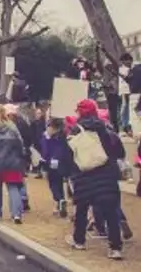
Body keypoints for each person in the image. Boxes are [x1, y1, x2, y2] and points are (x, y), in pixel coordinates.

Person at [63, 99, 124, 260]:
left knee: (82, 210)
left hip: (83, 175)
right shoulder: (104, 128)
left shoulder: (75, 130)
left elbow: (69, 155)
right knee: (110, 211)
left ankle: (79, 241)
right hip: (106, 175)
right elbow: (116, 151)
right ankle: (115, 247)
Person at [39, 118, 69, 218]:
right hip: (62, 162)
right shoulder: (63, 136)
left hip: (51, 162)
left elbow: (45, 151)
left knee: (53, 183)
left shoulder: (48, 138)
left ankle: (59, 199)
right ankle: (60, 202)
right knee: (59, 182)